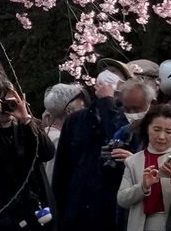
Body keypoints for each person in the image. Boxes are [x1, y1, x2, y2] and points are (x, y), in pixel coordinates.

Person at [0, 77, 55, 231]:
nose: (5, 108)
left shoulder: (28, 126)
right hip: (2, 213)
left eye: (9, 102)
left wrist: (26, 120)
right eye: (0, 103)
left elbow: (47, 153)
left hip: (35, 208)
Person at [51, 66, 129, 231]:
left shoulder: (126, 121)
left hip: (109, 208)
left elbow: (117, 136)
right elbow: (62, 167)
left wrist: (107, 103)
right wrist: (58, 208)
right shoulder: (76, 120)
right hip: (76, 206)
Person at [115, 105, 171, 231]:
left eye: (168, 132)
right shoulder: (133, 161)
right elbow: (122, 199)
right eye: (156, 129)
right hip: (140, 225)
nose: (161, 136)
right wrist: (143, 186)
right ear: (147, 129)